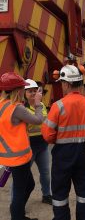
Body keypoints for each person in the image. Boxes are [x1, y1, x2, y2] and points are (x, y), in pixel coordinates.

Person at [41, 65, 85, 220]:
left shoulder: (58, 106)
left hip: (63, 154)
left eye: (62, 82)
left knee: (60, 193)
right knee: (83, 192)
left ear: (67, 84)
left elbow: (47, 135)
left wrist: (61, 139)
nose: (62, 86)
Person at [0, 72, 43, 220]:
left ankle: (17, 214)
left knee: (28, 185)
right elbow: (38, 120)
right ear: (17, 90)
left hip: (9, 156)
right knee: (20, 190)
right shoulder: (16, 108)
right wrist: (38, 104)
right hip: (20, 157)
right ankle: (17, 216)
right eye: (21, 88)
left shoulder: (1, 105)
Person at [24, 79, 52, 205]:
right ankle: (17, 203)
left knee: (45, 174)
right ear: (24, 93)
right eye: (30, 91)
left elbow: (45, 123)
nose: (33, 93)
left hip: (43, 146)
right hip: (28, 147)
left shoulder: (41, 106)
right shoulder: (22, 109)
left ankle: (47, 195)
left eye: (35, 91)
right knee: (22, 177)